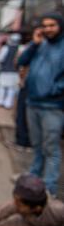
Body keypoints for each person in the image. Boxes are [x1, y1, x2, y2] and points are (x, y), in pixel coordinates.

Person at [17, 12, 64, 197]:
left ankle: (49, 187)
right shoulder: (40, 45)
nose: (47, 29)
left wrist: (55, 90)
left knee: (50, 148)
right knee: (37, 145)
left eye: (52, 25)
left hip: (52, 106)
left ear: (60, 26)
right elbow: (21, 62)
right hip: (33, 102)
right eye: (45, 25)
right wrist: (34, 44)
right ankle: (33, 179)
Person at [0, 33, 21, 109]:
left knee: (2, 87)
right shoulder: (20, 49)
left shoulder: (6, 48)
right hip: (14, 72)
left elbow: (0, 59)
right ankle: (8, 104)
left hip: (5, 71)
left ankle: (0, 102)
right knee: (11, 89)